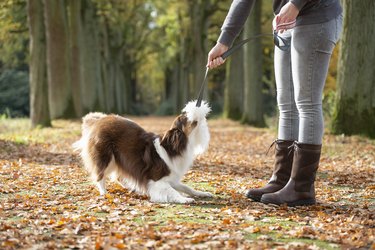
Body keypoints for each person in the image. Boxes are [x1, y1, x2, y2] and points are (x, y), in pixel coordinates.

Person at [207, 0, 343, 206]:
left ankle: (301, 187)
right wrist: (224, 41)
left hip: (317, 15)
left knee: (306, 102)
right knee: (286, 104)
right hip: (285, 23)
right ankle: (281, 179)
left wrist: (296, 4)